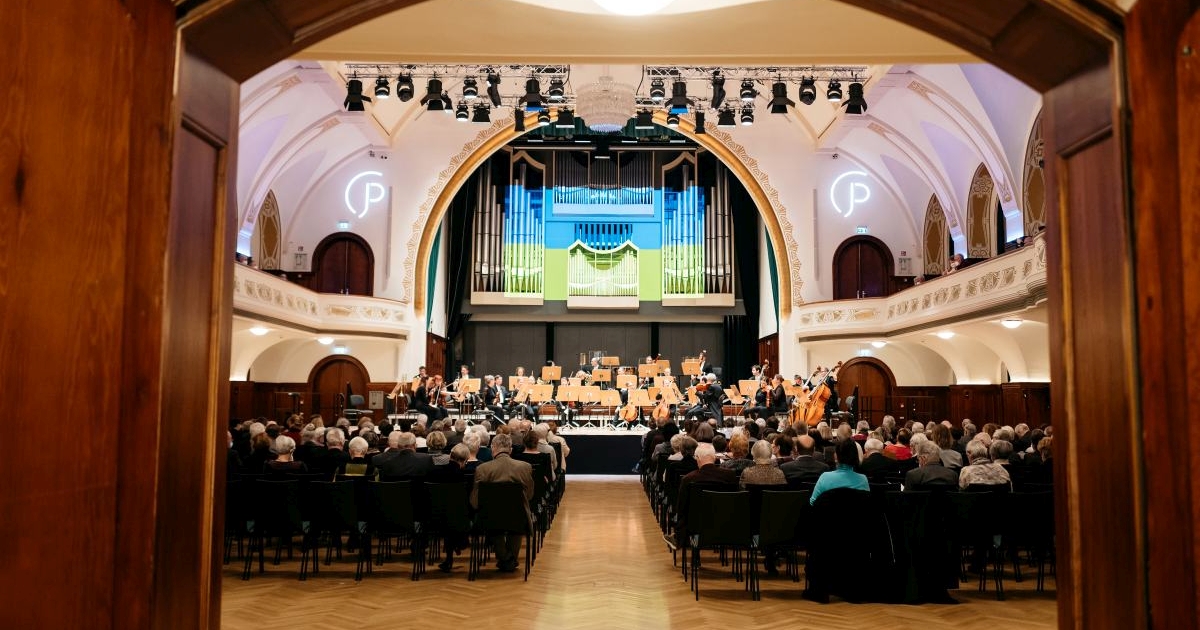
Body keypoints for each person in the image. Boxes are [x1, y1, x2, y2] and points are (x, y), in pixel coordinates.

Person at [470, 434, 534, 573]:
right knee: (516, 519)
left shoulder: (483, 469)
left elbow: (475, 500)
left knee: (494, 521)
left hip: (490, 518)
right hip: (517, 517)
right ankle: (509, 560)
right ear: (510, 449)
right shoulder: (525, 467)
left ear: (493, 448)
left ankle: (505, 558)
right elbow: (529, 495)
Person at [809, 438, 869, 504]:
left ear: (836, 456)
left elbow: (812, 503)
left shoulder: (825, 477)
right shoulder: (863, 480)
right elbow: (866, 505)